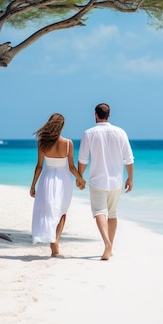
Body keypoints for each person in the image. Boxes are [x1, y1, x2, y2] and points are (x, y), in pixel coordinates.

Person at [77, 103, 134, 260]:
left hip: (97, 180)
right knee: (112, 213)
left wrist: (79, 177)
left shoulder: (88, 133)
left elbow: (83, 159)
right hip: (116, 181)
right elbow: (129, 159)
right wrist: (130, 178)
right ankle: (110, 245)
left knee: (99, 212)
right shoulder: (120, 132)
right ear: (109, 115)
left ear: (96, 115)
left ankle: (107, 244)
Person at [29, 113, 86, 257]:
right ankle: (55, 243)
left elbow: (39, 166)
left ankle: (53, 241)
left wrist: (33, 185)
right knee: (62, 211)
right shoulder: (68, 143)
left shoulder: (42, 143)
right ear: (61, 126)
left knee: (49, 210)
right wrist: (81, 180)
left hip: (47, 178)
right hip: (63, 179)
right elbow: (72, 167)